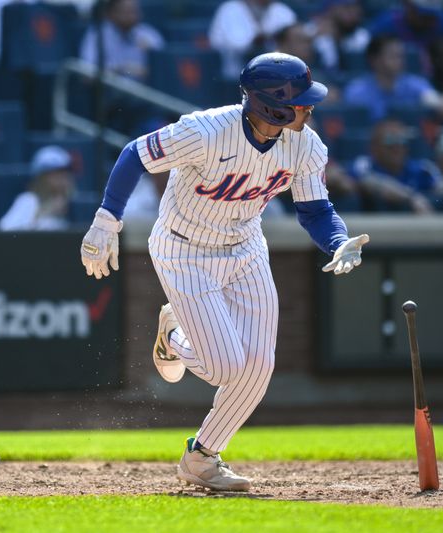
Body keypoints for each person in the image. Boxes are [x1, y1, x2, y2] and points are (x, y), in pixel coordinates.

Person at [79, 53, 369, 491]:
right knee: (224, 367)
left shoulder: (305, 145)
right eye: (302, 101)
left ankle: (202, 457)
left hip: (246, 248)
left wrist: (337, 240)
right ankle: (174, 336)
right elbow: (134, 154)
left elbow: (314, 210)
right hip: (183, 248)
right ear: (272, 105)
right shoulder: (206, 130)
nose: (310, 109)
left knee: (257, 368)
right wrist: (107, 219)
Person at [342, 34, 443, 122]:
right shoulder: (356, 90)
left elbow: (437, 103)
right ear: (374, 60)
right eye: (393, 56)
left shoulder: (415, 84)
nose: (399, 61)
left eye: (401, 56)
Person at [350, 118, 439, 213]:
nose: (397, 147)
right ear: (374, 147)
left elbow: (442, 186)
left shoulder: (422, 168)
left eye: (402, 141)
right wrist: (411, 198)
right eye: (390, 141)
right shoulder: (363, 165)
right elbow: (369, 182)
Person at [79, 0, 165, 82]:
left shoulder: (149, 34)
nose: (132, 16)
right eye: (127, 11)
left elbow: (165, 69)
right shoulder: (98, 35)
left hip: (147, 93)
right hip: (111, 92)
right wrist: (121, 70)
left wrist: (150, 55)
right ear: (110, 13)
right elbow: (87, 74)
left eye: (135, 11)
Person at [208, 0, 297, 78]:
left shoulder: (282, 10)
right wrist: (255, 41)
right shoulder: (229, 9)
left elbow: (295, 37)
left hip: (277, 74)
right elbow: (228, 44)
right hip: (235, 75)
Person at [0, 145, 76, 230]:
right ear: (40, 178)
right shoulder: (28, 200)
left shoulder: (74, 203)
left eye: (64, 173)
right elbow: (5, 231)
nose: (62, 178)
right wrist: (45, 212)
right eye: (55, 174)